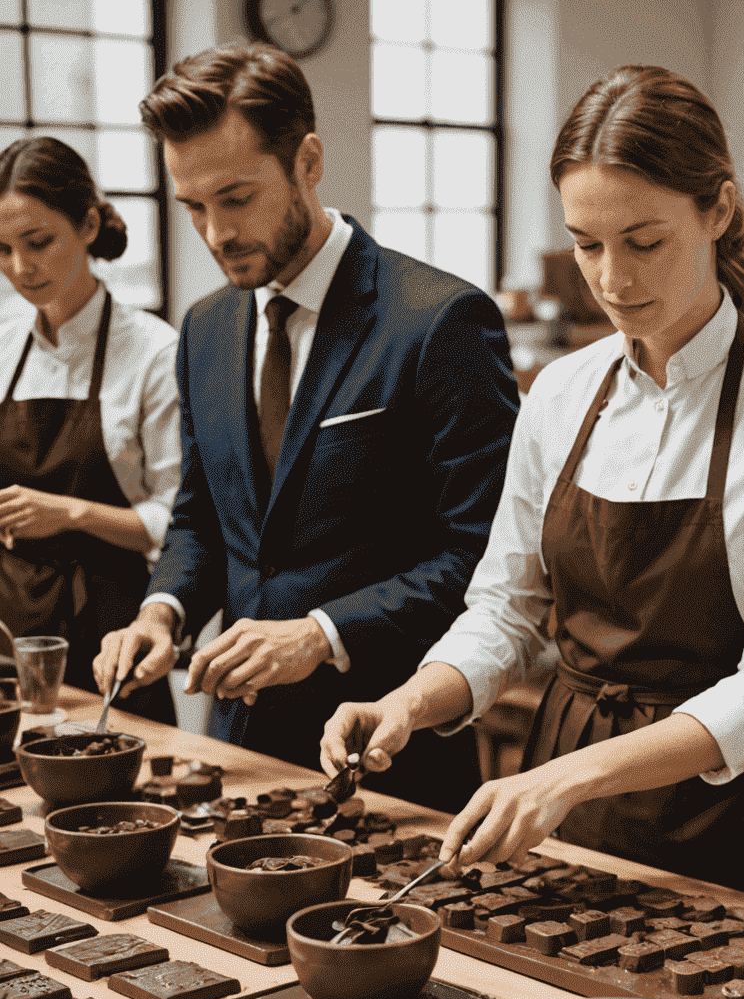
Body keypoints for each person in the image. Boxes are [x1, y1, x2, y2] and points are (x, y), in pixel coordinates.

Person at [321, 66, 744, 902]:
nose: (613, 280)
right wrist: (412, 700)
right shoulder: (562, 396)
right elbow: (505, 608)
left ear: (718, 211)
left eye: (643, 242)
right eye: (587, 245)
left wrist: (574, 777)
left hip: (718, 817)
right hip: (556, 808)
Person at [94, 43, 518, 811]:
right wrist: (164, 611)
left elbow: (482, 557)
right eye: (193, 207)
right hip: (238, 748)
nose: (216, 232)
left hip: (394, 749)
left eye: (237, 197)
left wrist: (320, 631)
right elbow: (201, 516)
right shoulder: (204, 329)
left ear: (309, 162)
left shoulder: (440, 322)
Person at [0, 138, 180, 721]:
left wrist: (69, 512)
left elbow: (178, 521)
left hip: (113, 638)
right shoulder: (2, 343)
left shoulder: (153, 353)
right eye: (2, 250)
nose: (22, 269)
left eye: (39, 242)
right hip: (12, 636)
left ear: (89, 224)